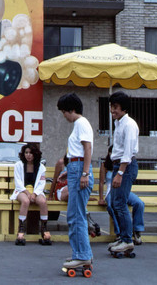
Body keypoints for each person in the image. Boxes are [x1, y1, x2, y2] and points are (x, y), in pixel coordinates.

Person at [57, 93, 94, 270]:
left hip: (79, 169)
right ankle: (81, 252)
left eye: (64, 112)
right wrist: (68, 171)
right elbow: (77, 152)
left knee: (76, 216)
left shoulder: (81, 123)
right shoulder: (79, 125)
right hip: (75, 168)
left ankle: (82, 255)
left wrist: (84, 173)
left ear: (72, 110)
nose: (64, 116)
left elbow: (87, 149)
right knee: (75, 215)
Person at [106, 91, 139, 254]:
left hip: (125, 167)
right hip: (117, 166)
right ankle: (123, 237)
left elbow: (128, 152)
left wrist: (120, 173)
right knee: (113, 203)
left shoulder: (129, 125)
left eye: (116, 107)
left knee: (119, 203)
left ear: (124, 108)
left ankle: (127, 239)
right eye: (111, 107)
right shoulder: (118, 123)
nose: (113, 110)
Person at [99, 146, 145, 245]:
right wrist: (101, 198)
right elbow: (101, 182)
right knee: (112, 206)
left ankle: (137, 230)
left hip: (123, 190)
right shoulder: (105, 166)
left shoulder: (123, 165)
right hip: (110, 191)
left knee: (139, 203)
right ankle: (119, 232)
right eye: (111, 152)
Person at [10, 143, 51, 245]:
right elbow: (18, 183)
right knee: (25, 201)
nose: (28, 155)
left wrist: (35, 194)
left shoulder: (41, 167)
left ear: (35, 154)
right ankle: (21, 230)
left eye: (31, 153)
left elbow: (42, 183)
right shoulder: (19, 165)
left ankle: (44, 230)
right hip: (22, 191)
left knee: (42, 201)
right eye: (26, 152)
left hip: (36, 191)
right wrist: (27, 193)